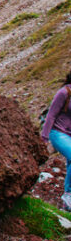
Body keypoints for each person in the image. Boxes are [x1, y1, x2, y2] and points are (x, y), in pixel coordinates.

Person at [42, 68, 71, 211]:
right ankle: (68, 195)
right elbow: (51, 116)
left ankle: (67, 197)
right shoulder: (64, 92)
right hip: (58, 133)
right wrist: (44, 137)